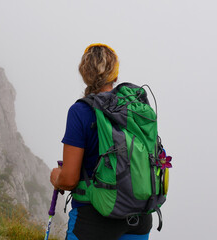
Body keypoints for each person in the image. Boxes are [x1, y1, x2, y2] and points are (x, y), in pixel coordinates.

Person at [50, 43, 152, 240]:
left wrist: (56, 178)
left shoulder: (79, 112)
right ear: (115, 74)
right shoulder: (134, 107)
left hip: (94, 219)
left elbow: (69, 179)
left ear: (84, 73)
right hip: (138, 218)